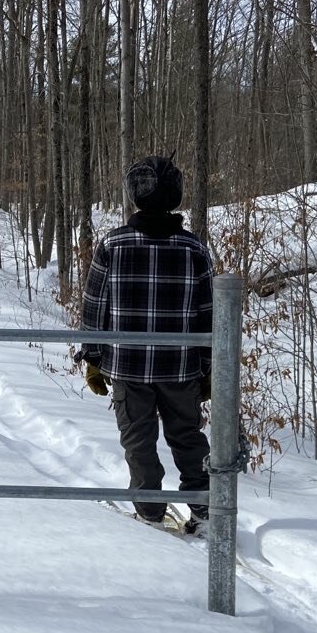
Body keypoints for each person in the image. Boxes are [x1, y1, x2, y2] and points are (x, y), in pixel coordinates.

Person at [77, 155, 213, 534]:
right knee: (187, 437)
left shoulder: (113, 244)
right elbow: (208, 314)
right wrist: (208, 366)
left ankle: (150, 511)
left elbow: (93, 306)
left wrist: (93, 355)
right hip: (180, 367)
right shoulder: (193, 249)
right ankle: (203, 508)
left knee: (138, 442)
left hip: (128, 366)